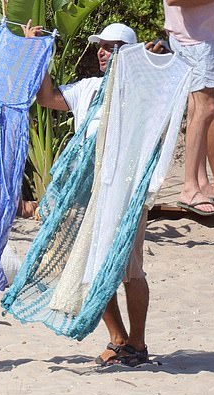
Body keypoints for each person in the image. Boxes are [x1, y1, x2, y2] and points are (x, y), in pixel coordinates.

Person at [24, 22, 166, 366]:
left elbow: (172, 81)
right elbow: (46, 98)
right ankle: (118, 339)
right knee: (91, 266)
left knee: (130, 271)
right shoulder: (88, 89)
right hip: (85, 196)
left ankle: (138, 343)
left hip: (126, 195)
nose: (102, 52)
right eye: (100, 46)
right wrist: (37, 50)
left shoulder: (144, 93)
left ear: (130, 53)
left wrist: (158, 55)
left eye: (112, 46)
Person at [163, 0, 214, 215]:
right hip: (196, 40)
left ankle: (200, 182)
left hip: (202, 37)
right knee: (207, 107)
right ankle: (189, 188)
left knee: (199, 107)